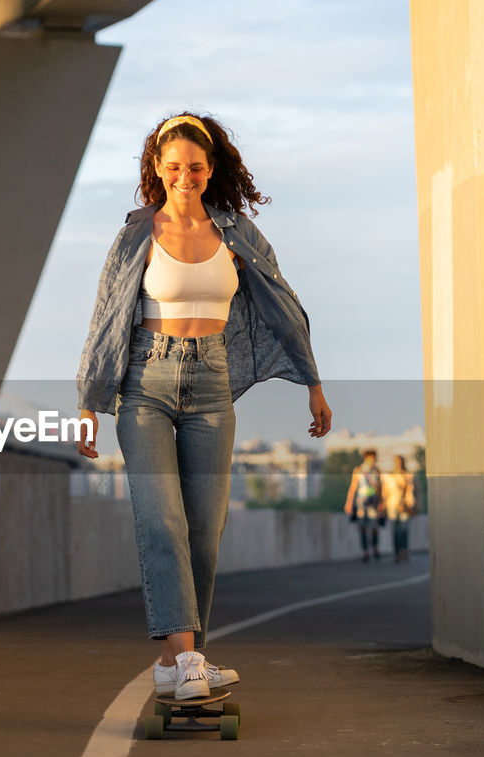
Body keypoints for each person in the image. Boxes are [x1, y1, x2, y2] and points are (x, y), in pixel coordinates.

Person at [75, 113, 332, 700]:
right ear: (157, 171)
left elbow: (283, 305)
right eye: (172, 168)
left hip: (212, 386)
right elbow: (105, 320)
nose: (183, 177)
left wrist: (312, 383)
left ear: (210, 170)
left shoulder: (237, 235)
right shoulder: (137, 234)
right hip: (145, 383)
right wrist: (89, 402)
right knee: (161, 520)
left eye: (194, 167)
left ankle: (176, 664)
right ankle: (191, 663)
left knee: (205, 530)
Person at [344, 449, 384, 562]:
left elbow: (380, 488)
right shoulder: (358, 470)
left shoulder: (377, 471)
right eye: (372, 458)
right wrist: (349, 503)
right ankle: (365, 551)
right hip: (361, 501)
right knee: (362, 527)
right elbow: (353, 487)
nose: (373, 460)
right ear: (366, 458)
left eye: (374, 458)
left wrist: (381, 502)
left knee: (374, 526)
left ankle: (375, 548)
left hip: (374, 501)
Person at [382, 454, 417, 562]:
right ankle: (397, 552)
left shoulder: (408, 475)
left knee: (404, 529)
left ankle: (404, 550)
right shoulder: (389, 476)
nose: (399, 464)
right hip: (392, 506)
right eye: (397, 462)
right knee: (395, 531)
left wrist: (416, 505)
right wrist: (383, 505)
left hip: (405, 506)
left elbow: (415, 491)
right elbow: (385, 492)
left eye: (400, 462)